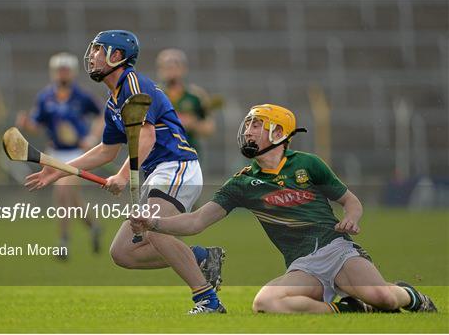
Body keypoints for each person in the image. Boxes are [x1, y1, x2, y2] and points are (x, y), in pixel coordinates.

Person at [129, 103, 438, 314]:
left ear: (278, 133)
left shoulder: (307, 164)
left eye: (257, 126)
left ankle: (411, 296)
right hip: (303, 265)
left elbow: (350, 201)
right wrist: (153, 224)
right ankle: (345, 310)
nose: (248, 131)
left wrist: (352, 218)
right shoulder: (243, 182)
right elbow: (196, 221)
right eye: (247, 125)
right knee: (266, 302)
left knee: (382, 296)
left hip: (337, 250)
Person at [24, 30, 226, 314]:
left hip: (177, 166)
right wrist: (59, 170)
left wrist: (121, 175)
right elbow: (106, 150)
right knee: (123, 253)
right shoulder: (112, 101)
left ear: (116, 56)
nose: (91, 56)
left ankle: (207, 300)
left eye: (98, 50)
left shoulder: (133, 85)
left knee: (152, 228)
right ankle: (200, 257)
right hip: (158, 172)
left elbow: (147, 138)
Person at [16, 52, 104, 255]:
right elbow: (37, 126)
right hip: (54, 153)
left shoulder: (82, 96)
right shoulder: (45, 97)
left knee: (63, 193)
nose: (62, 74)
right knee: (71, 199)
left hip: (76, 154)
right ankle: (93, 227)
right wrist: (26, 124)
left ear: (72, 73)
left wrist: (92, 138)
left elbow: (102, 115)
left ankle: (63, 241)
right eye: (59, 70)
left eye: (65, 70)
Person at [156, 48, 215, 157]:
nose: (171, 70)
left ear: (184, 69)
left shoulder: (196, 96)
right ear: (160, 70)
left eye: (175, 66)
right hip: (160, 156)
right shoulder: (153, 95)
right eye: (167, 67)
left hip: (190, 156)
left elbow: (209, 128)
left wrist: (192, 123)